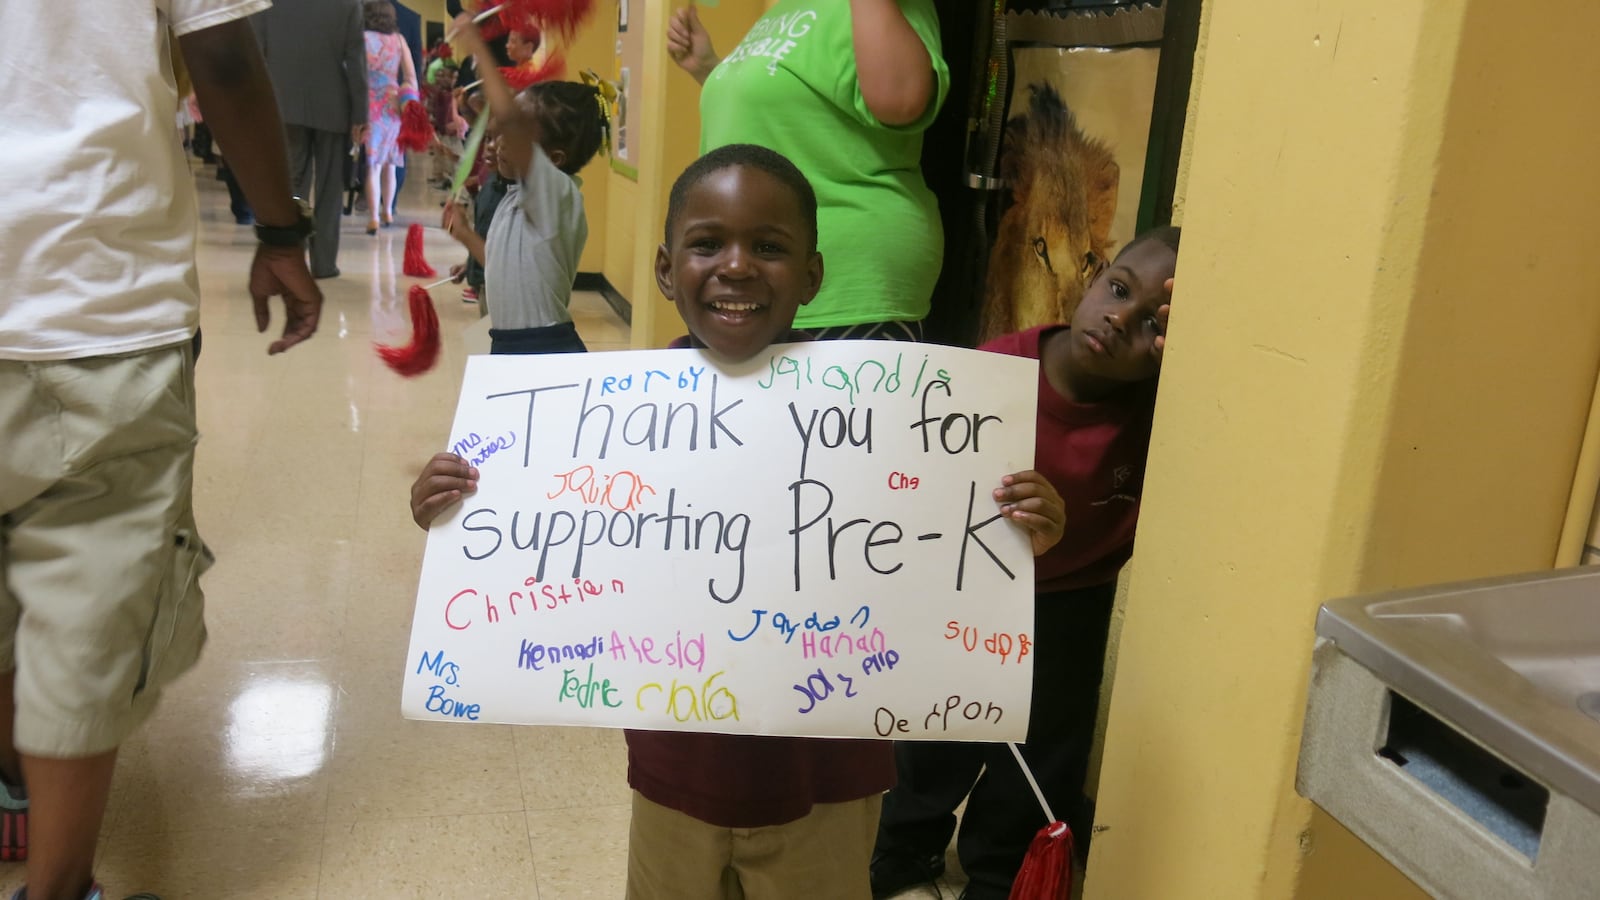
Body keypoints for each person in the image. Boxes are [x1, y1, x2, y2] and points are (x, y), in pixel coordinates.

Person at [409, 142, 1067, 899]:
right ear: (665, 269)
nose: (736, 266)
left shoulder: (883, 416)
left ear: (814, 275)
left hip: (830, 777)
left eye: (770, 246)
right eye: (706, 243)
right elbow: (531, 539)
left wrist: (1024, 531)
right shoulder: (610, 419)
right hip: (675, 775)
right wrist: (456, 507)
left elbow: (942, 556)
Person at [0, 2, 324, 897]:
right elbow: (220, 60)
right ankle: (57, 886)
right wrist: (282, 234)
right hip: (93, 294)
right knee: (87, 601)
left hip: (81, 293)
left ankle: (11, 786)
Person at [871, 227, 1181, 900]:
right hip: (970, 588)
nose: (1119, 318)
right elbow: (918, 496)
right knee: (936, 734)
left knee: (1044, 751)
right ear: (1094, 276)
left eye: (1151, 324)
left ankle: (999, 873)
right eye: (1118, 290)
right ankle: (900, 854)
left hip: (1075, 600)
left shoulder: (1167, 413)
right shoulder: (990, 376)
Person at [667, 1, 947, 342]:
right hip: (757, 270)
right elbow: (785, 118)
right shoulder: (788, 7)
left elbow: (900, 100)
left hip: (840, 280)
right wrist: (709, 67)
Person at [440, 15, 603, 353]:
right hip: (507, 344)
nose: (499, 140)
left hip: (545, 348)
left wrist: (479, 50)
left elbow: (510, 123)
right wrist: (466, 236)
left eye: (517, 137)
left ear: (554, 159)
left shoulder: (558, 194)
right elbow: (500, 262)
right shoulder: (514, 200)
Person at [252, 0, 369, 279]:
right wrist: (360, 114)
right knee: (330, 188)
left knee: (292, 185)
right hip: (333, 105)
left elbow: (256, 51)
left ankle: (290, 257)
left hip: (284, 102)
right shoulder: (348, 4)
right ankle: (324, 264)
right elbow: (356, 60)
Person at [362, 0, 420, 234]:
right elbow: (411, 76)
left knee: (372, 165)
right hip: (393, 105)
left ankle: (374, 217)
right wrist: (408, 100)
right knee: (391, 164)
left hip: (370, 106)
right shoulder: (399, 40)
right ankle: (388, 212)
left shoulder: (362, 39)